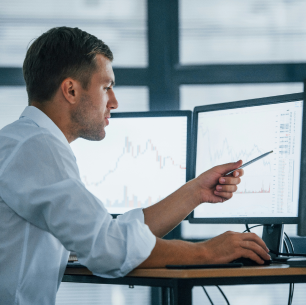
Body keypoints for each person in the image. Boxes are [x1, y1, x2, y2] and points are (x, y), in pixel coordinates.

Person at [0, 27, 270, 305]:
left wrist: (195, 192)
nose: (114, 102)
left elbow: (110, 234)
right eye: (106, 87)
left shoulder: (25, 141)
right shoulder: (38, 148)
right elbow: (109, 248)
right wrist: (208, 252)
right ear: (70, 90)